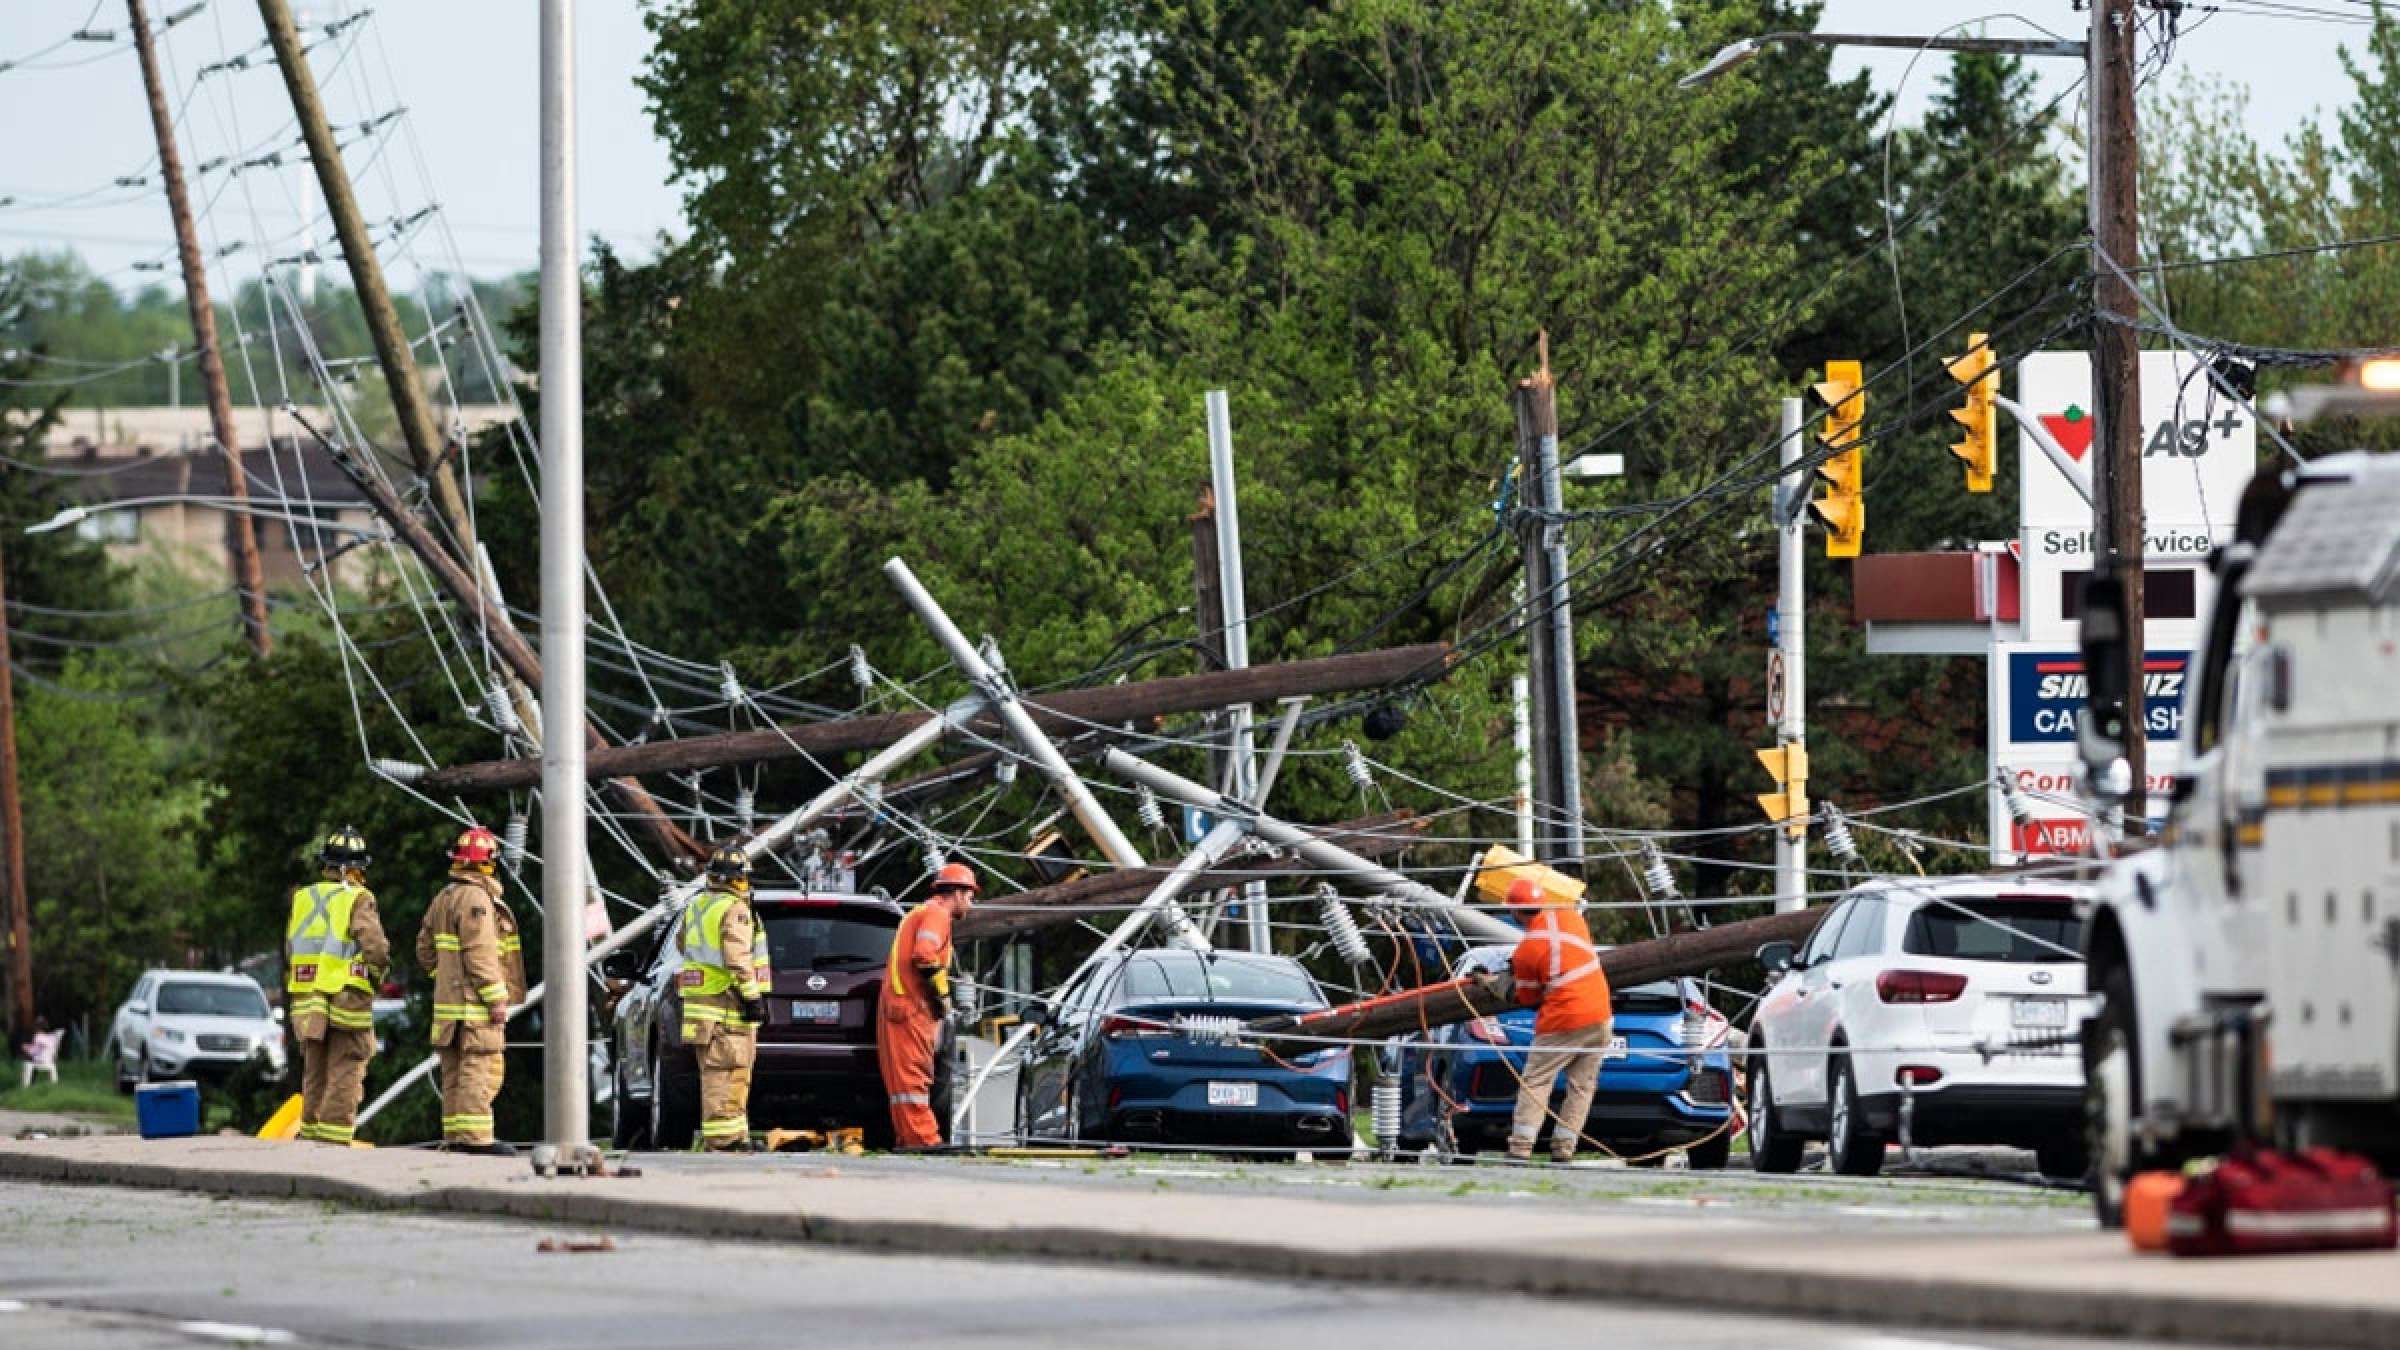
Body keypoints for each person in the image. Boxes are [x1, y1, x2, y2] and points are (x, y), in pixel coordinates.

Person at [416, 826, 524, 1155]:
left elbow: (424, 949)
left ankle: (456, 1137)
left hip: (449, 1008)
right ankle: (477, 1140)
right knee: (481, 1070)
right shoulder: (477, 899)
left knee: (454, 1073)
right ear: (488, 863)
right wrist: (496, 998)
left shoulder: (444, 897)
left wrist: (447, 978)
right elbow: (481, 955)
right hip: (474, 1007)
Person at [285, 826, 389, 1145]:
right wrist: (378, 974)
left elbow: (292, 946)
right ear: (354, 868)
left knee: (315, 1067)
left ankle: (311, 1132)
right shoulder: (358, 897)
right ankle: (333, 1139)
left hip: (308, 998)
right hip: (345, 997)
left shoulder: (304, 897)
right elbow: (375, 946)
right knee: (347, 1065)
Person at [1503, 876, 1614, 1163]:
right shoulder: (1573, 920)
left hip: (1564, 1018)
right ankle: (1564, 1149)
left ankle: (1520, 1148)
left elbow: (1527, 998)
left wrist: (1509, 980)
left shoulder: (1526, 951)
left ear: (1515, 911)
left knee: (1536, 1081)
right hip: (1600, 1015)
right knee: (1582, 1085)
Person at [877, 861, 976, 1150]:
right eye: (969, 896)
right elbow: (924, 955)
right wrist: (944, 997)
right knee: (914, 1080)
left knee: (902, 1084)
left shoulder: (919, 913)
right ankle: (924, 1139)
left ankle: (908, 1138)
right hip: (911, 1008)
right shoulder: (938, 914)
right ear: (956, 893)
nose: (970, 904)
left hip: (899, 1005)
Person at [679, 844, 767, 1152]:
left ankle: (735, 1135)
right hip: (725, 1005)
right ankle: (722, 1139)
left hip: (702, 1007)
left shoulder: (696, 906)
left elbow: (682, 945)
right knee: (724, 1072)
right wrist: (753, 997)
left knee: (732, 1071)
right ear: (735, 880)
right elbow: (737, 957)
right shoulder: (735, 909)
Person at [19, 1019, 60, 1089]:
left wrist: (26, 1048)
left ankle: (25, 1086)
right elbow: (41, 1048)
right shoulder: (51, 1037)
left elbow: (34, 1051)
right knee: (32, 1064)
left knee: (27, 1063)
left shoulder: (38, 1036)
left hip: (40, 1060)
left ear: (37, 1028)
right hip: (49, 1061)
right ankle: (52, 1083)